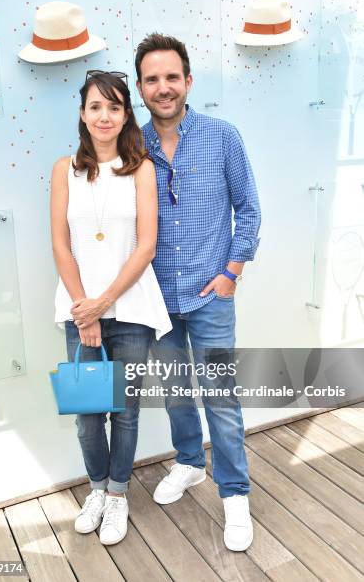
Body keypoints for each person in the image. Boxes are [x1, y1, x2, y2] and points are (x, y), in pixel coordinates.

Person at [135, 33, 261, 551]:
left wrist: (232, 270)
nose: (162, 88)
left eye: (171, 77)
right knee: (175, 392)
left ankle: (234, 494)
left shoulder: (222, 136)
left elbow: (248, 208)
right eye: (151, 79)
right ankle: (189, 462)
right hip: (155, 299)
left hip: (211, 295)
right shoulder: (132, 145)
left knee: (221, 400)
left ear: (188, 81)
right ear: (141, 88)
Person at [50, 70, 172, 546]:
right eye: (96, 106)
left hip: (133, 309)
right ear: (83, 113)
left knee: (124, 411)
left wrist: (105, 302)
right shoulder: (65, 170)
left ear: (126, 116)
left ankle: (118, 495)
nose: (105, 115)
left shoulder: (141, 169)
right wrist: (89, 310)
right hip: (80, 310)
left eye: (115, 107)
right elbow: (61, 244)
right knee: (87, 413)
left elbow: (146, 246)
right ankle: (96, 490)